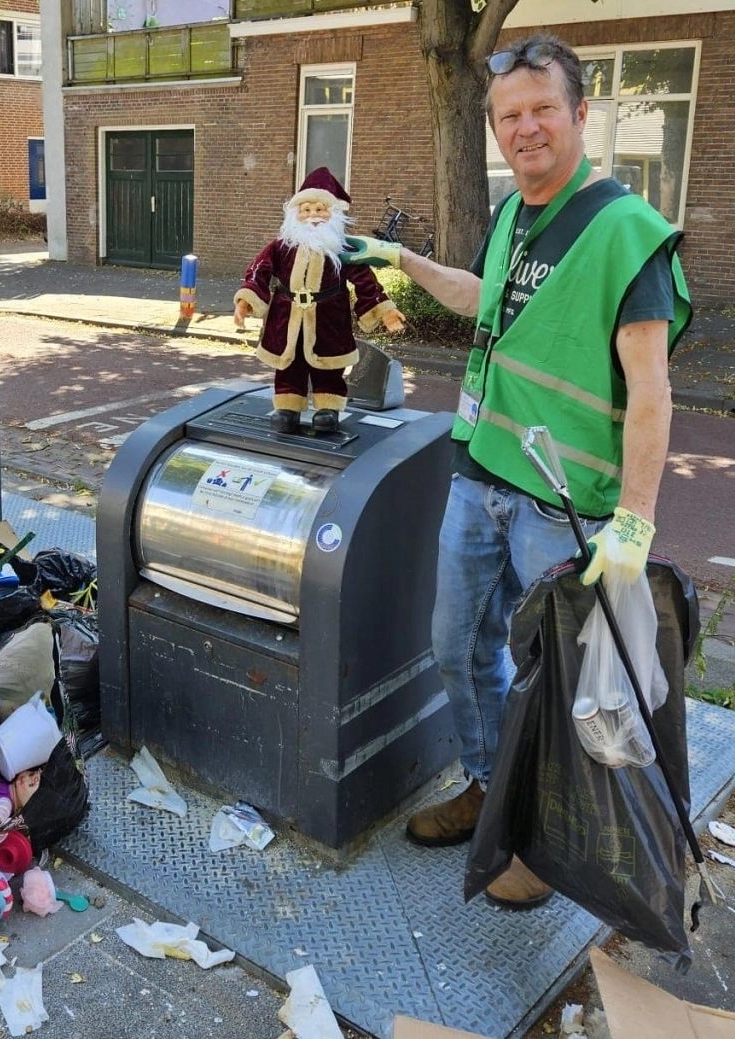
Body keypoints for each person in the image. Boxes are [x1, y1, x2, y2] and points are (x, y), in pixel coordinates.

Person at [346, 33, 691, 908]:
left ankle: (537, 844)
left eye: (543, 109)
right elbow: (484, 297)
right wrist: (399, 263)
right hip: (481, 474)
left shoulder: (627, 232)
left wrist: (635, 524)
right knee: (456, 650)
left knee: (554, 689)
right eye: (509, 116)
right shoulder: (513, 215)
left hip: (563, 508)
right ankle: (487, 790)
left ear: (580, 115)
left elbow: (651, 392)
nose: (525, 128)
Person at [234, 166, 407, 434]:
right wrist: (246, 300)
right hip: (286, 315)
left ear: (333, 214)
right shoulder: (280, 246)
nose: (313, 216)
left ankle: (328, 409)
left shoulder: (342, 247)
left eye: (319, 210)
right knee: (289, 365)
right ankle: (287, 408)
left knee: (328, 367)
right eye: (306, 210)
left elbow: (364, 279)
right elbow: (258, 270)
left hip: (329, 317)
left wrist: (385, 311)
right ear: (295, 214)